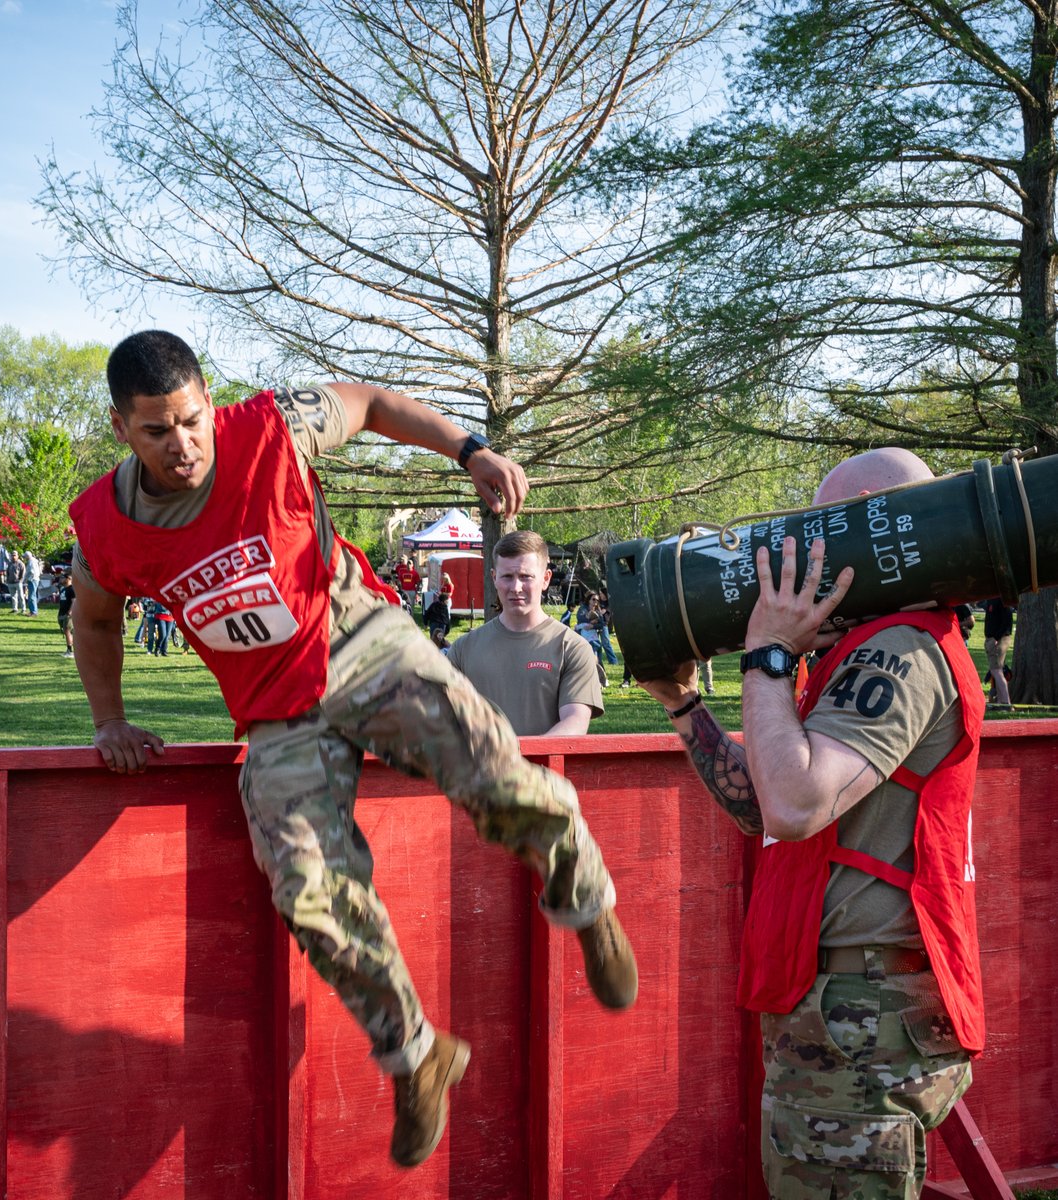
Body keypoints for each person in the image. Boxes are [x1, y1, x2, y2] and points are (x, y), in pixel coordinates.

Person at [68, 330, 637, 1169]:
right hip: (275, 714)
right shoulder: (105, 525)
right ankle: (416, 1056)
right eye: (157, 432)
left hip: (361, 644)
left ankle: (582, 892)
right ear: (122, 428)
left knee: (489, 771)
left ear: (207, 402)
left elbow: (368, 403)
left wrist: (468, 448)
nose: (183, 447)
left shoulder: (269, 428)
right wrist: (108, 719)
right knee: (308, 891)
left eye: (192, 421)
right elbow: (93, 616)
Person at [637, 447, 985, 1200]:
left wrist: (765, 654)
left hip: (863, 1015)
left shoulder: (903, 649)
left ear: (887, 535)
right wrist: (682, 704)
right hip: (839, 1004)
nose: (807, 550)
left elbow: (797, 803)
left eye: (829, 528)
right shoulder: (856, 649)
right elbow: (766, 807)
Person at [447, 531, 604, 736]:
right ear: (494, 578)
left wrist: (518, 763)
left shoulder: (572, 648)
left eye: (525, 577)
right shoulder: (463, 649)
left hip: (544, 768)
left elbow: (575, 723)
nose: (516, 587)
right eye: (507, 577)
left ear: (546, 578)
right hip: (478, 768)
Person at [981, 598, 1014, 709]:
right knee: (996, 671)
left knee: (997, 671)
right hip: (992, 639)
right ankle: (1000, 701)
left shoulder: (1002, 600)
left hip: (999, 639)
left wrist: (996, 638)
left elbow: (1007, 622)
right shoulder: (991, 599)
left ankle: (1006, 703)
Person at [57, 571, 76, 655]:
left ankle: (70, 651)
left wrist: (70, 612)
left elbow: (74, 601)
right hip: (62, 613)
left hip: (68, 614)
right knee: (66, 631)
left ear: (68, 579)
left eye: (63, 578)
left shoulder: (72, 589)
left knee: (68, 631)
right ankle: (71, 649)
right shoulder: (63, 589)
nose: (61, 579)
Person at [24, 549, 41, 616]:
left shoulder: (31, 562)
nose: (24, 558)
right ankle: (32, 611)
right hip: (34, 579)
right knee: (32, 596)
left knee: (32, 596)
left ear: (27, 556)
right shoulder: (33, 561)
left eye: (25, 557)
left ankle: (33, 612)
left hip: (33, 580)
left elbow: (31, 571)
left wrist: (26, 578)